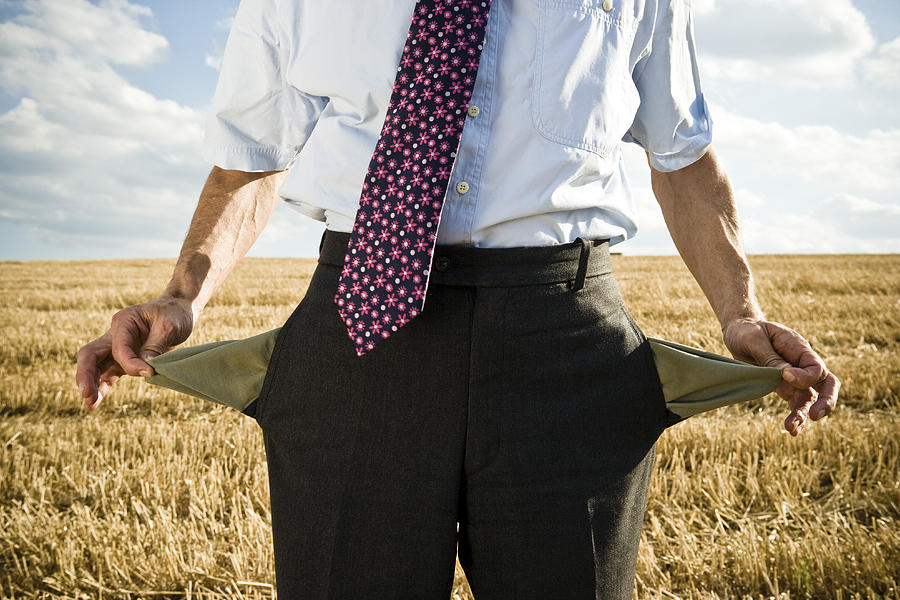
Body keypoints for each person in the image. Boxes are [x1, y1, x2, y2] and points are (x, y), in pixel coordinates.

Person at [75, 0, 840, 598]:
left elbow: (683, 155)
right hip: (358, 333)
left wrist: (740, 311)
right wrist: (182, 298)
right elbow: (252, 155)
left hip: (562, 342)